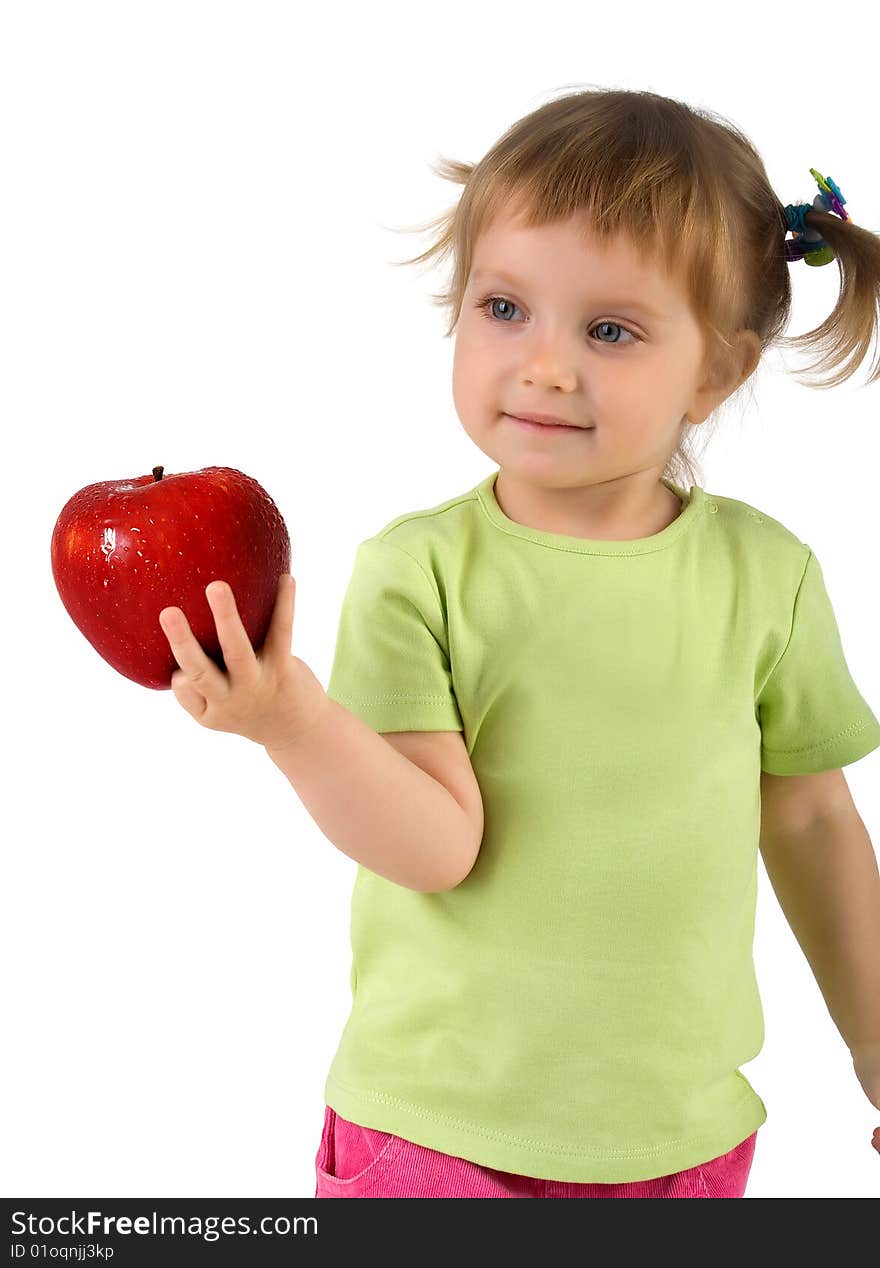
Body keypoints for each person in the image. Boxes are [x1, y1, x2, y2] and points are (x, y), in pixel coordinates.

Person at [158, 87, 880, 1198]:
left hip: (680, 1137)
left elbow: (813, 813)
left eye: (608, 329)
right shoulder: (422, 570)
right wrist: (292, 722)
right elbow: (435, 843)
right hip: (440, 1128)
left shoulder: (766, 576)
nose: (544, 365)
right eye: (504, 309)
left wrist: (872, 1039)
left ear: (716, 371)